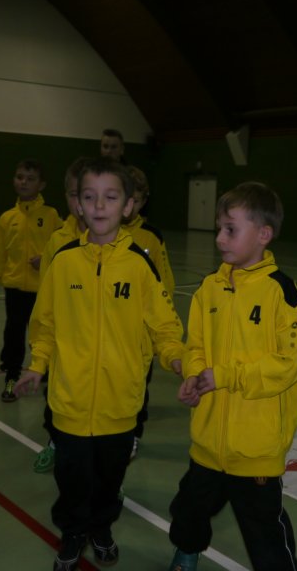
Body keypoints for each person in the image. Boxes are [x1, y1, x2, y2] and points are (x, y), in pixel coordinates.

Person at [14, 157, 185, 571]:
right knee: (72, 478)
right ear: (78, 205)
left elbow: (164, 325)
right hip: (69, 401)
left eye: (110, 197)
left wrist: (178, 358)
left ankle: (102, 527)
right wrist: (37, 364)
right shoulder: (64, 262)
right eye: (90, 197)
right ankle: (73, 533)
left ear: (128, 206)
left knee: (110, 478)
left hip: (120, 403)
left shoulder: (140, 265)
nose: (99, 205)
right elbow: (46, 323)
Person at [169, 181, 297, 571]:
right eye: (219, 228)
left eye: (230, 229)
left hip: (256, 448)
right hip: (208, 441)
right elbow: (195, 345)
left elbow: (289, 363)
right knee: (188, 510)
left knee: (265, 532)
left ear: (263, 235)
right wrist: (195, 376)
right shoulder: (208, 289)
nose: (219, 238)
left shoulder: (281, 292)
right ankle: (186, 551)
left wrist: (226, 376)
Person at [31, 156, 92, 474]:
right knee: (56, 404)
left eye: (87, 195)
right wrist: (39, 350)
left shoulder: (118, 244)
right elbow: (46, 301)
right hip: (63, 346)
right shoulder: (57, 241)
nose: (79, 203)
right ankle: (55, 443)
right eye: (73, 194)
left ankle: (105, 474)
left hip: (98, 348)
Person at [0, 159, 63, 402]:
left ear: (42, 185)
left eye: (30, 179)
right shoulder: (7, 219)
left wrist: (46, 259)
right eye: (20, 177)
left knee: (43, 334)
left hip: (43, 289)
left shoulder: (51, 216)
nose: (24, 182)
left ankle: (47, 371)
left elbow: (63, 246)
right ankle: (11, 378)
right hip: (15, 288)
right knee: (14, 335)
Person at [124, 165, 176, 460]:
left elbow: (164, 283)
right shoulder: (102, 233)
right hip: (112, 330)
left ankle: (133, 434)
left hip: (141, 334)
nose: (130, 205)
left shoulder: (151, 238)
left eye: (137, 199)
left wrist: (161, 330)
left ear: (144, 201)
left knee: (138, 388)